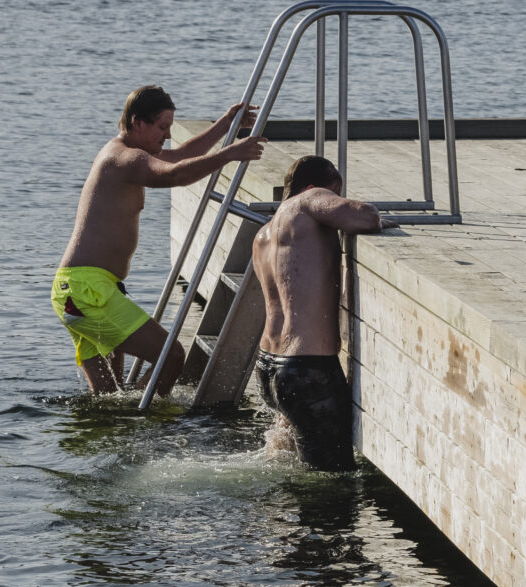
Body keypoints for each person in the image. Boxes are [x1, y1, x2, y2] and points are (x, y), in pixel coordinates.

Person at [53, 85, 265, 395]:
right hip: (88, 292)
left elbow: (180, 156)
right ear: (138, 123)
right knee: (172, 357)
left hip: (80, 290)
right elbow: (174, 175)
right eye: (162, 127)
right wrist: (229, 155)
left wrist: (225, 124)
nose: (166, 135)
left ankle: (124, 427)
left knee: (110, 397)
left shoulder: (123, 152)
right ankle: (145, 424)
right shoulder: (126, 158)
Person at [251, 154, 382, 470]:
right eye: (334, 191)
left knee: (287, 466)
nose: (333, 198)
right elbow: (365, 216)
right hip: (307, 370)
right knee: (332, 479)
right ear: (312, 188)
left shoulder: (264, 234)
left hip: (269, 367)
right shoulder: (308, 200)